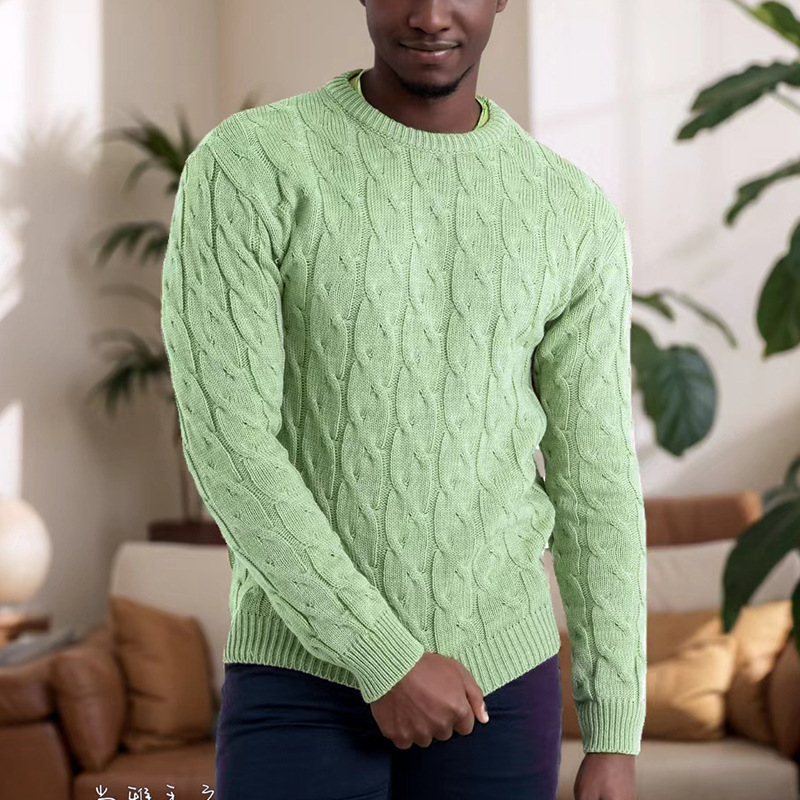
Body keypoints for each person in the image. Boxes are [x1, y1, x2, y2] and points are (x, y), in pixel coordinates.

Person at [159, 1, 647, 798]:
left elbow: (597, 483)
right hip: (299, 679)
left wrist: (614, 733)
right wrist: (382, 656)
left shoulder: (573, 212)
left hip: (501, 683)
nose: (430, 14)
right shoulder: (249, 164)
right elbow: (228, 442)